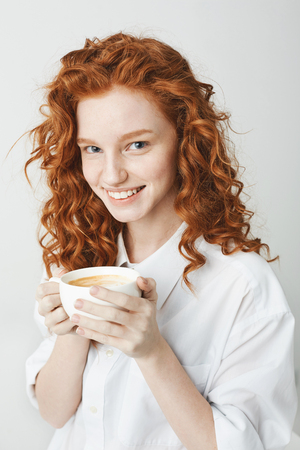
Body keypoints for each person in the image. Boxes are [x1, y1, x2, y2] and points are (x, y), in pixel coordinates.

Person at [25, 32, 297, 450]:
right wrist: (73, 331)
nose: (111, 175)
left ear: (184, 142)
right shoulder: (79, 257)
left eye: (137, 145)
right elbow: (54, 412)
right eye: (93, 148)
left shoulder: (241, 285)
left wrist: (152, 351)